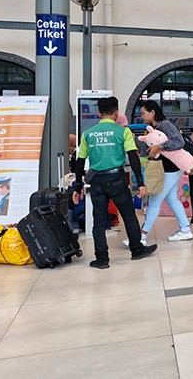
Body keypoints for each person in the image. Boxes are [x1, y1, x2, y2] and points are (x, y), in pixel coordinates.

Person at [72, 97, 157, 269]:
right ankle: (136, 250)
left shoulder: (87, 134)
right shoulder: (123, 132)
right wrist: (140, 182)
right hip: (117, 180)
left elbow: (79, 161)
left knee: (98, 220)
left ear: (98, 114)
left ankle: (102, 259)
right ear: (117, 113)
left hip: (96, 181)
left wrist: (78, 185)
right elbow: (133, 157)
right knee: (129, 216)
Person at [138, 100, 193, 244]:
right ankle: (185, 229)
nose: (142, 116)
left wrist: (160, 147)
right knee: (171, 199)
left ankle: (141, 236)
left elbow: (179, 141)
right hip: (165, 168)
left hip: (172, 168)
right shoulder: (150, 128)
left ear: (153, 112)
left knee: (155, 200)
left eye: (144, 113)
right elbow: (147, 149)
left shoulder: (165, 125)